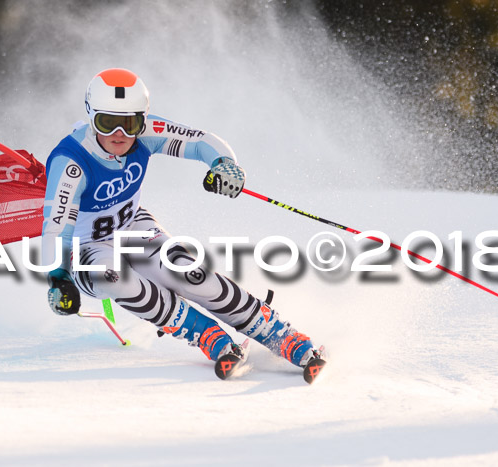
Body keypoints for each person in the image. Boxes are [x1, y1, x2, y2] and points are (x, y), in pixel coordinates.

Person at [42, 68, 322, 370]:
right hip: (86, 249)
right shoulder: (71, 162)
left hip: (134, 227)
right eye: (107, 123)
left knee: (189, 273)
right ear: (91, 115)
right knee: (111, 277)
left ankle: (278, 333)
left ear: (142, 119)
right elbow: (56, 229)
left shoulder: (146, 134)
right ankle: (205, 334)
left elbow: (202, 141)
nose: (119, 134)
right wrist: (58, 277)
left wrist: (223, 164)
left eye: (130, 123)